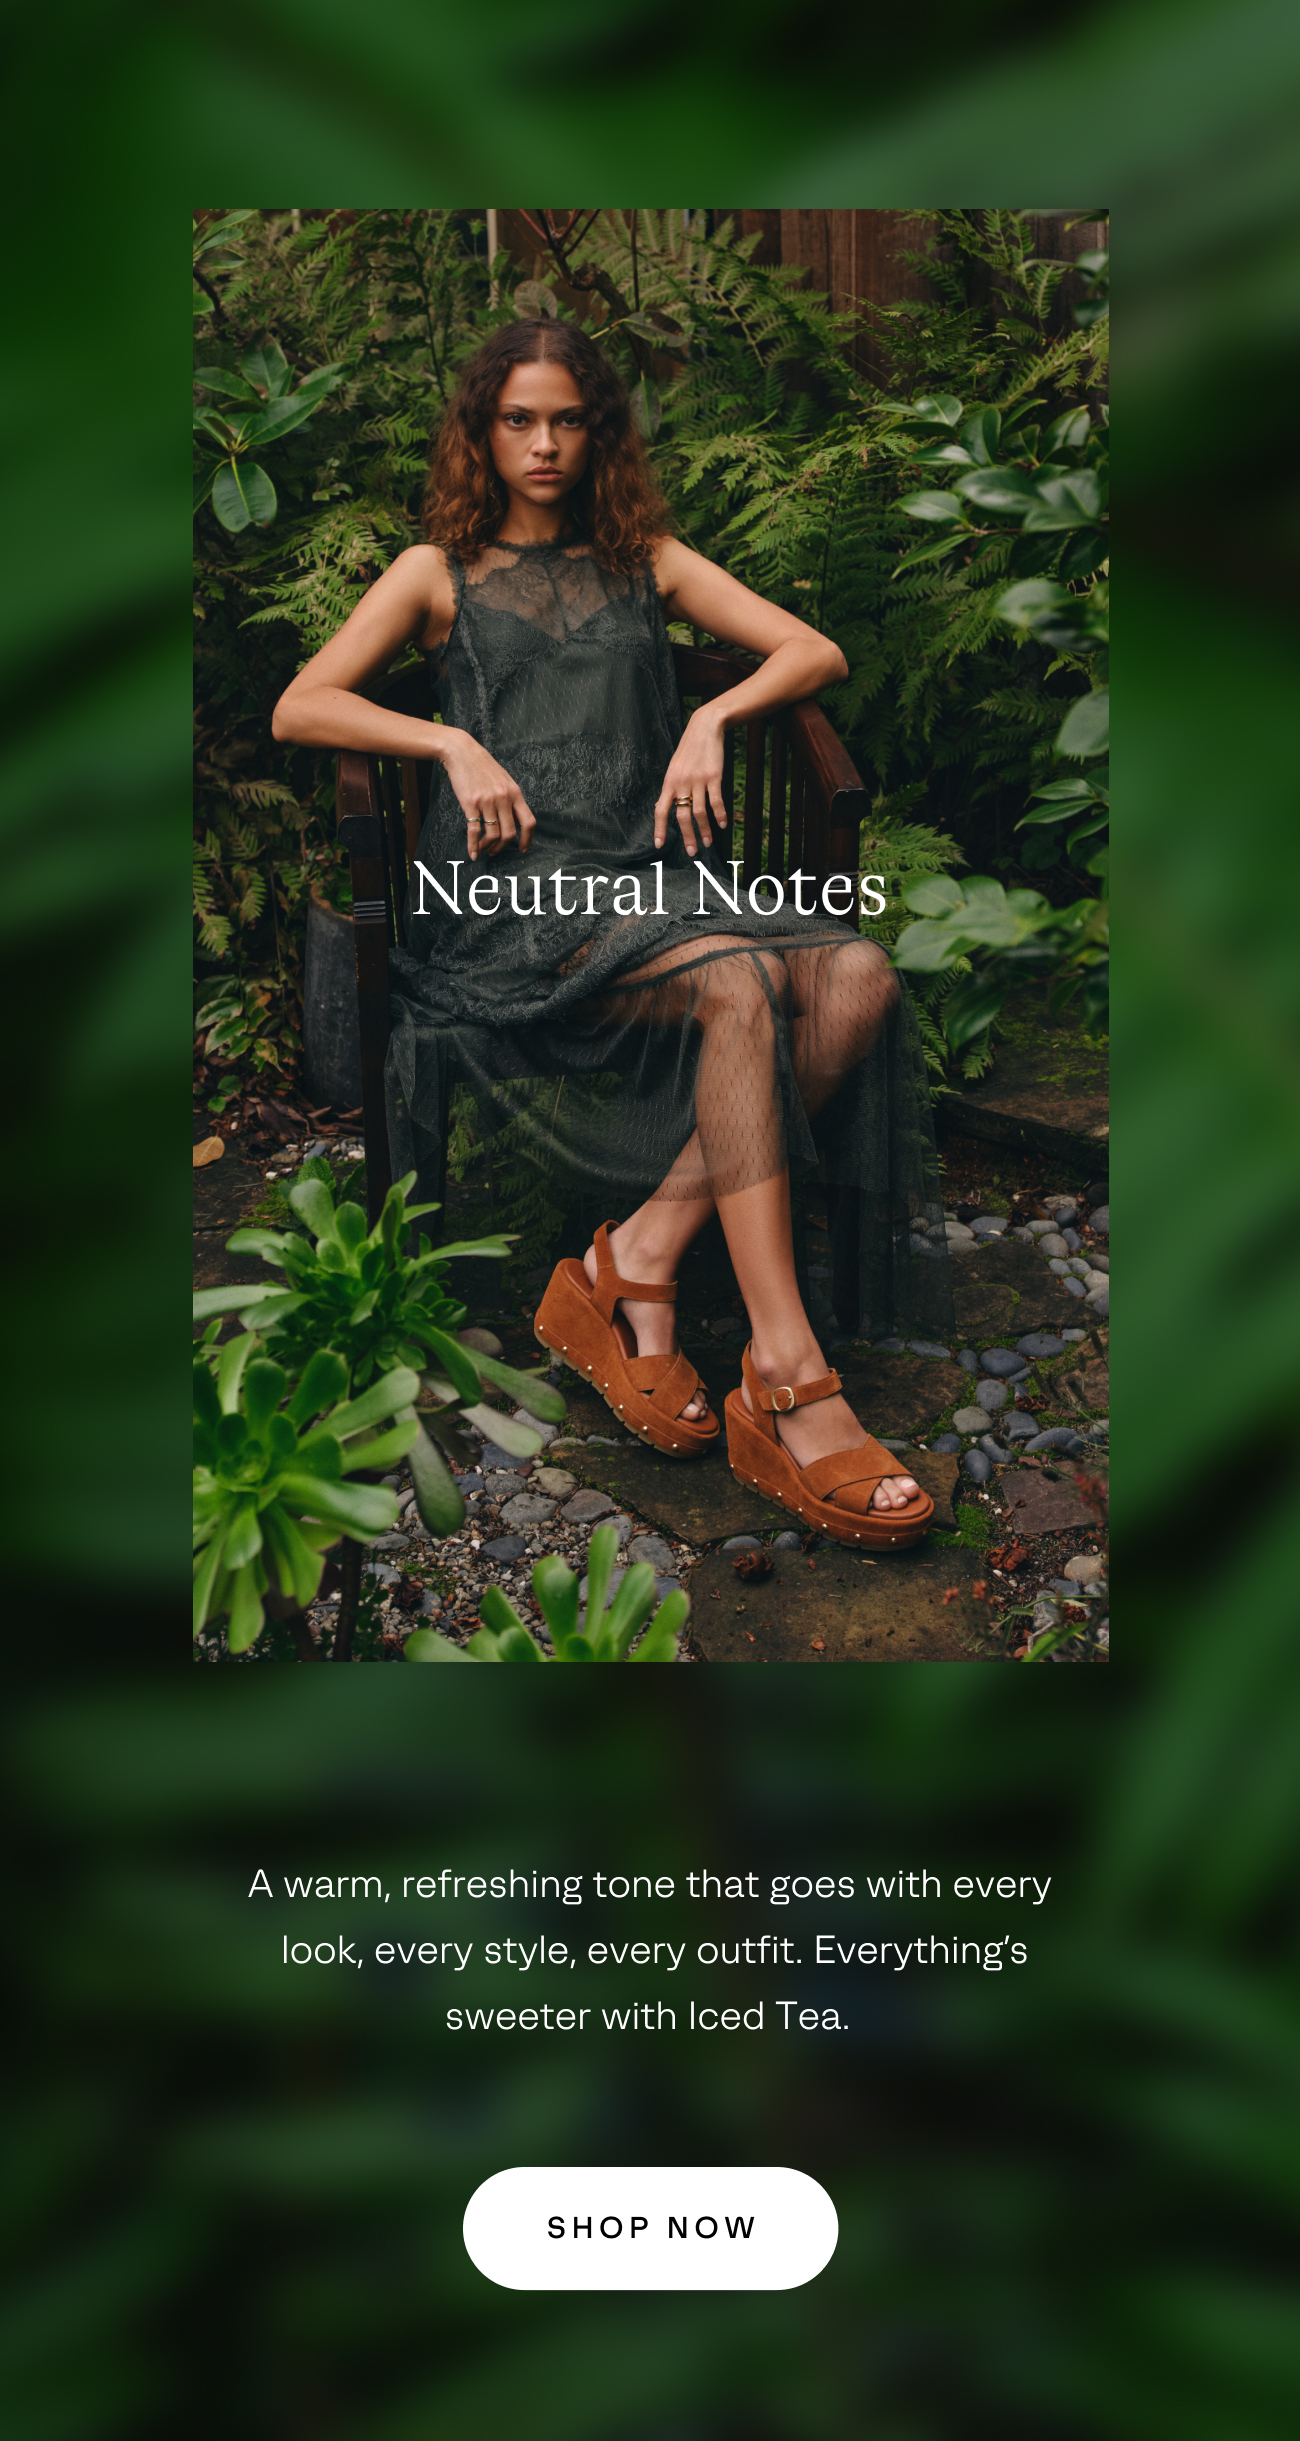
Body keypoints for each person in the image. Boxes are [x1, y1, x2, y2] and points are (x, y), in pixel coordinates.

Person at [274, 319, 950, 1547]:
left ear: (601, 432)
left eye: (567, 418)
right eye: (518, 419)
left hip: (643, 888)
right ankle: (784, 1373)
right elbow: (300, 704)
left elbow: (816, 648)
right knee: (744, 986)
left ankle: (635, 1253)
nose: (543, 443)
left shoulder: (649, 561)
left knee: (852, 975)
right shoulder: (437, 572)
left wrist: (714, 720)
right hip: (507, 906)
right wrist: (446, 739)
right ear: (483, 431)